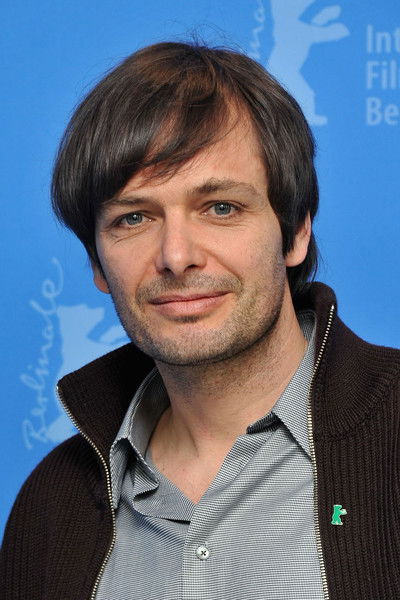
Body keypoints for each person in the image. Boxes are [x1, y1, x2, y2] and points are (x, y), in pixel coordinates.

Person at [1, 41, 399, 600]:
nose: (177, 255)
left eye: (220, 208)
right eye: (133, 218)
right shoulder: (52, 503)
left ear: (296, 233)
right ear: (96, 262)